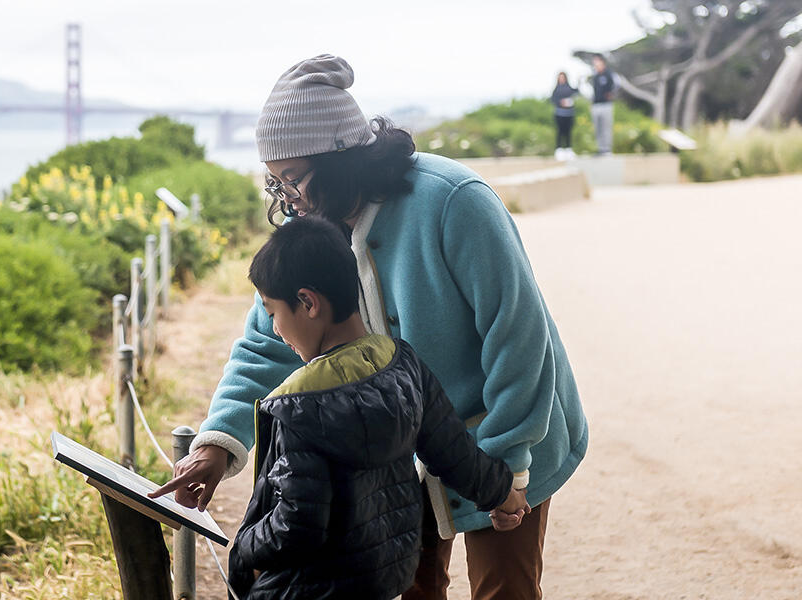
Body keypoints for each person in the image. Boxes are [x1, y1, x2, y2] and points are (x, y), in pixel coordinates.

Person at [149, 54, 588, 600]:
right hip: (403, 449)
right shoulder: (310, 228)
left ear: (340, 160)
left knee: (504, 589)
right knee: (410, 587)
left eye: (293, 179)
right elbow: (267, 342)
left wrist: (506, 470)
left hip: (510, 434)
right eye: (275, 182)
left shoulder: (454, 201)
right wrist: (217, 445)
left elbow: (518, 337)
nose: (288, 198)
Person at [225, 216, 530, 599]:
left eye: (273, 314)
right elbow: (454, 452)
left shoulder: (298, 407)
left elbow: (297, 523)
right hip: (384, 576)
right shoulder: (402, 364)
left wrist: (243, 553)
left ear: (307, 302)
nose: (274, 330)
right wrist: (504, 494)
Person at [590, 55, 616, 155]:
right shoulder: (595, 76)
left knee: (606, 127)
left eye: (597, 62)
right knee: (598, 128)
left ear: (602, 63)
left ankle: (607, 149)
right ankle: (600, 149)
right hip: (596, 105)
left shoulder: (609, 74)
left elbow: (615, 87)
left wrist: (610, 95)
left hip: (606, 105)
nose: (595, 64)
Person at [550, 71, 578, 160]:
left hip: (569, 114)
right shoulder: (556, 89)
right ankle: (559, 149)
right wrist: (560, 102)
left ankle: (569, 149)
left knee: (568, 132)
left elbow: (576, 92)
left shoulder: (569, 88)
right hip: (559, 114)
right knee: (559, 132)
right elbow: (553, 100)